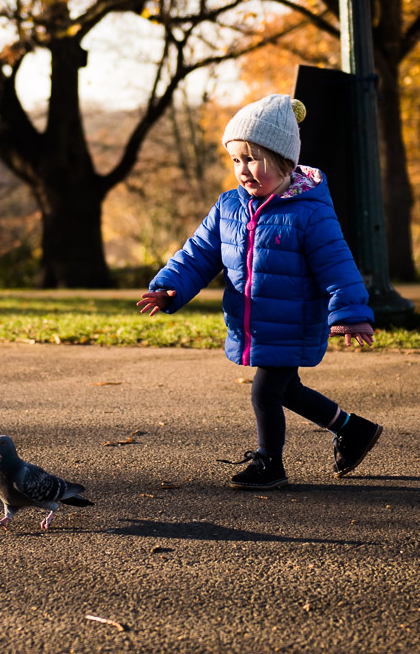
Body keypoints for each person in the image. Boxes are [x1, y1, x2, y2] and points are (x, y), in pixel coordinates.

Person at [137, 93, 382, 490]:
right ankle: (354, 430)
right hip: (256, 324)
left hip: (293, 322)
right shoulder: (229, 207)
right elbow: (199, 254)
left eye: (252, 159)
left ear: (285, 162)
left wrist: (351, 312)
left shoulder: (308, 211)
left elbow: (336, 263)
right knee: (288, 391)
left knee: (265, 393)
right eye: (236, 160)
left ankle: (270, 463)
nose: (243, 170)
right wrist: (169, 288)